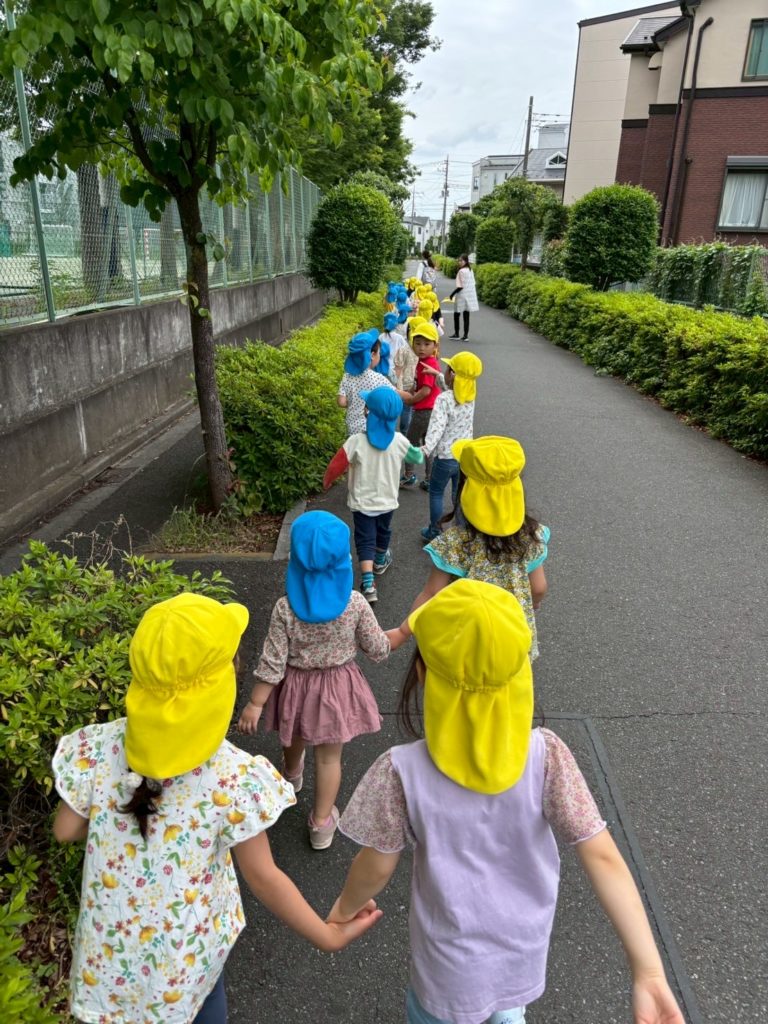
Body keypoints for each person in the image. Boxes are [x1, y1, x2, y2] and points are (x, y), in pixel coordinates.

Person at [331, 579, 685, 1024]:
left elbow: (376, 867)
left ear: (422, 673)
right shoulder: (548, 756)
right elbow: (603, 856)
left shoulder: (402, 771)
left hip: (446, 972)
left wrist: (344, 909)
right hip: (521, 956)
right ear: (520, 673)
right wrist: (649, 971)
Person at [51, 593, 381, 1024]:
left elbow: (65, 829)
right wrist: (327, 936)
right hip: (190, 967)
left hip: (107, 973)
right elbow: (264, 877)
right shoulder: (231, 777)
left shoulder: (98, 747)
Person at [238, 511, 405, 851]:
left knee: (294, 734)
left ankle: (291, 774)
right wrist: (403, 631)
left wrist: (255, 703)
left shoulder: (285, 608)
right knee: (329, 759)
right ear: (344, 560)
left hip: (295, 689)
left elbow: (272, 661)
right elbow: (377, 648)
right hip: (336, 691)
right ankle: (321, 823)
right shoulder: (355, 604)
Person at [413, 436, 550, 659]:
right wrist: (533, 604)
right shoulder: (531, 535)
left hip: (466, 639)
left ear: (466, 490)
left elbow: (431, 593)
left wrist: (405, 631)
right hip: (512, 639)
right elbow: (539, 587)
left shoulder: (456, 542)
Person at [323, 386, 424, 603]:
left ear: (368, 412)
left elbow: (336, 465)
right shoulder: (399, 441)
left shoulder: (356, 441)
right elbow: (416, 458)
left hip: (362, 503)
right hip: (387, 501)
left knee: (364, 539)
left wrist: (327, 481)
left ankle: (368, 584)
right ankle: (380, 560)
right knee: (383, 530)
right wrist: (422, 449)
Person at [419, 352, 483, 542]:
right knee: (459, 494)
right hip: (464, 457)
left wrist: (426, 449)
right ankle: (461, 531)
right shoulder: (470, 396)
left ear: (453, 374)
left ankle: (435, 530)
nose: (445, 372)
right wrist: (437, 375)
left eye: (447, 369)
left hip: (445, 457)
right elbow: (454, 388)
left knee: (436, 493)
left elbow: (436, 428)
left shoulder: (443, 399)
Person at [399, 320, 442, 491]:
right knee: (428, 445)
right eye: (417, 343)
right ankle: (430, 479)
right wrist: (412, 389)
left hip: (423, 411)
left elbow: (425, 391)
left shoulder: (427, 364)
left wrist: (410, 400)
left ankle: (409, 475)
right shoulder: (428, 361)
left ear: (435, 345)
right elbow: (420, 386)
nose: (421, 348)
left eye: (426, 344)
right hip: (432, 411)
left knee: (410, 443)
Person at [338, 328, 396, 436]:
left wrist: (354, 403)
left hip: (352, 428)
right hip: (371, 427)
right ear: (372, 355)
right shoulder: (377, 378)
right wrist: (412, 398)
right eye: (379, 353)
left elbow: (341, 402)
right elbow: (395, 395)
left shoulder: (346, 377)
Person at [448, 253, 479, 342]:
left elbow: (460, 286)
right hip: (469, 295)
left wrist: (452, 294)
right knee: (466, 315)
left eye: (461, 260)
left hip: (461, 295)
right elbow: (473, 283)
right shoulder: (470, 270)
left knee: (456, 314)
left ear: (465, 261)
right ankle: (465, 335)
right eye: (459, 260)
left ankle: (457, 334)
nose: (459, 262)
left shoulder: (461, 271)